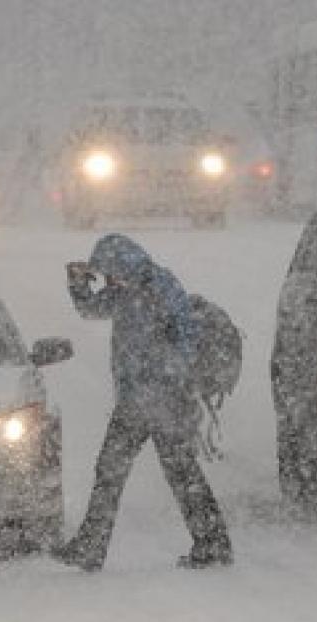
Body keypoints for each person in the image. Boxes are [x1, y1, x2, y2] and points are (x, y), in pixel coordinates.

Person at [57, 234, 232, 571]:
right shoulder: (126, 290)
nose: (107, 281)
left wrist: (163, 378)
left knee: (138, 471)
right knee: (163, 472)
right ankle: (212, 544)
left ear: (124, 265)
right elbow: (91, 309)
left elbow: (186, 341)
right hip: (139, 399)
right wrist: (79, 285)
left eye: (109, 273)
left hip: (163, 400)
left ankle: (92, 548)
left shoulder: (160, 288)